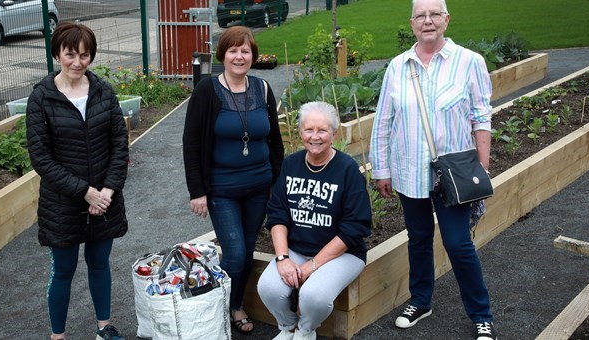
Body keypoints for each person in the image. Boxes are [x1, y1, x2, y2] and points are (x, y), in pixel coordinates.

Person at [369, 0, 498, 339]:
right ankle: (421, 300)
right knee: (419, 237)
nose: (428, 21)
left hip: (453, 174)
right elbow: (384, 121)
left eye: (434, 15)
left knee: (458, 244)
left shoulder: (470, 62)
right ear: (412, 23)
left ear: (446, 20)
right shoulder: (398, 66)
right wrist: (381, 169)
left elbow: (481, 117)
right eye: (421, 16)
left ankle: (481, 314)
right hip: (408, 170)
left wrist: (482, 167)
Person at [26, 22, 128, 340]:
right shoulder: (42, 97)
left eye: (84, 55)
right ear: (58, 53)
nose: (77, 62)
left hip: (105, 201)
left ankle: (104, 328)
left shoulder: (103, 92)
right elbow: (41, 159)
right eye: (70, 54)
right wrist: (86, 193)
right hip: (62, 204)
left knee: (99, 264)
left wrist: (107, 192)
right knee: (64, 271)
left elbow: (120, 145)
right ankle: (58, 336)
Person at [182, 25, 285, 334]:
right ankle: (214, 310)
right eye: (233, 50)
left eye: (245, 51)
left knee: (248, 249)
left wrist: (277, 186)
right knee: (236, 253)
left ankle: (236, 305)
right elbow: (192, 143)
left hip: (259, 187)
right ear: (222, 55)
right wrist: (197, 190)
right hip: (222, 188)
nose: (239, 56)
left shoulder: (263, 88)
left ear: (253, 56)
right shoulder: (207, 91)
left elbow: (275, 142)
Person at [257, 101, 372, 340]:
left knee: (314, 296)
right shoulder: (291, 164)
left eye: (322, 130)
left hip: (344, 254)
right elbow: (277, 214)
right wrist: (282, 259)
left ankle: (306, 331)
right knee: (268, 287)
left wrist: (312, 266)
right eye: (309, 130)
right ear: (300, 132)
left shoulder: (348, 170)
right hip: (298, 248)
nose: (315, 137)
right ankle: (288, 327)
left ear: (334, 133)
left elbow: (354, 228)